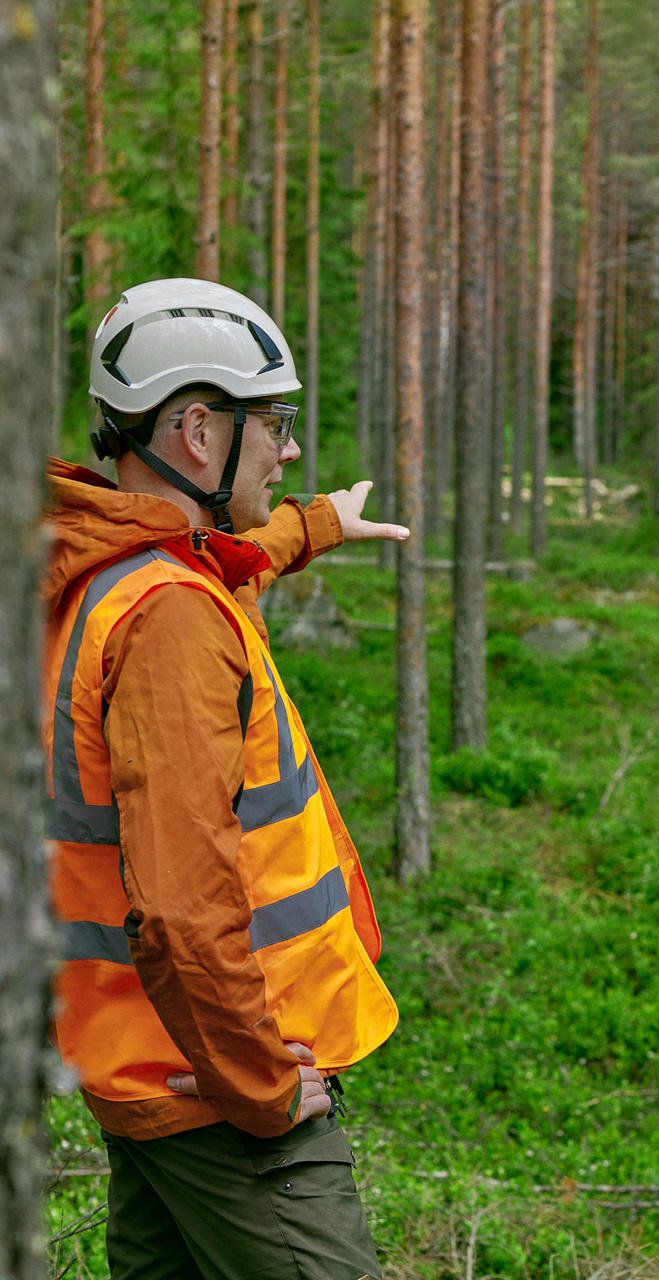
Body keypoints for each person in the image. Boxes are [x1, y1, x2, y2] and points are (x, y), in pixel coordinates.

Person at [44, 278, 407, 1280]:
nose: (288, 451)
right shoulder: (169, 621)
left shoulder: (105, 567)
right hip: (220, 1091)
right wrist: (262, 1088)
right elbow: (181, 903)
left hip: (148, 1056)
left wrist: (308, 528)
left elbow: (209, 556)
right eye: (274, 424)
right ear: (198, 432)